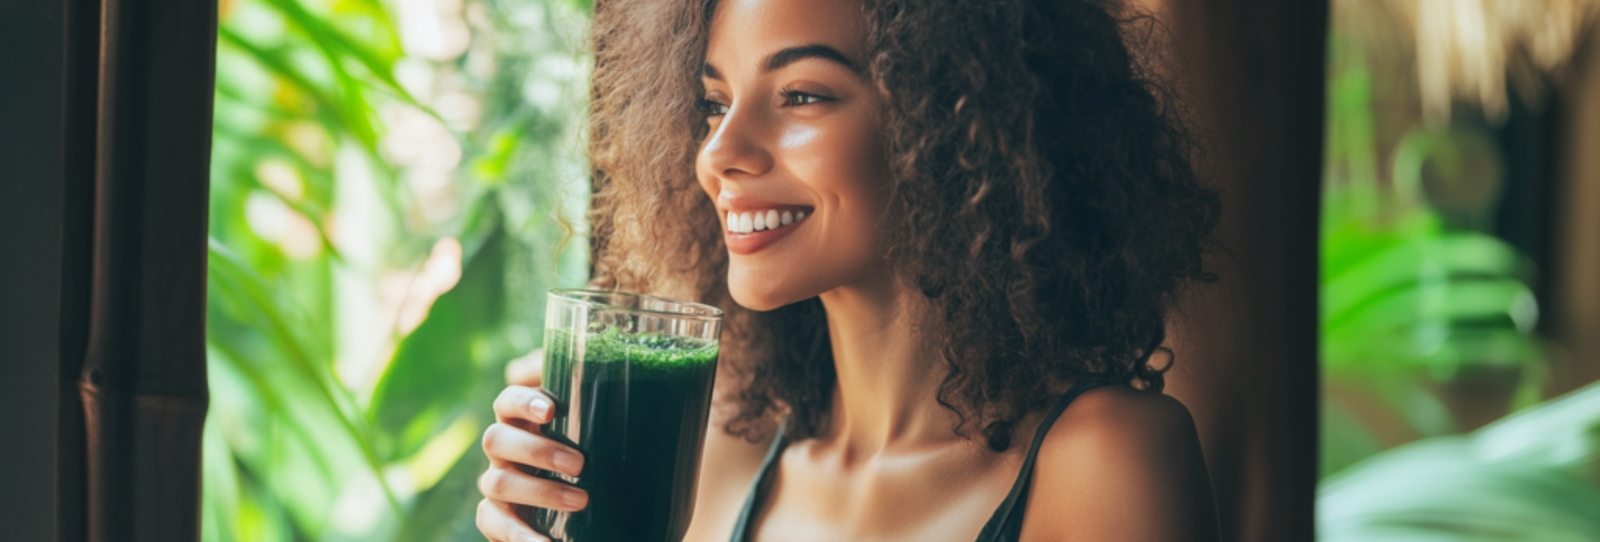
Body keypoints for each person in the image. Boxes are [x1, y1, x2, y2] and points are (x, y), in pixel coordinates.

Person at [476, 0, 1222, 540]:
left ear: (954, 123)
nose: (718, 152)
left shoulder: (1107, 462)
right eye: (713, 103)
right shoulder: (718, 459)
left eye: (801, 95)